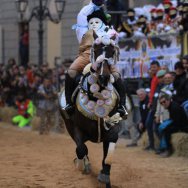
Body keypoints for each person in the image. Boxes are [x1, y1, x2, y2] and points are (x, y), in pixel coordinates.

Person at [65, 9, 127, 118]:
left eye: (97, 22)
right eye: (91, 22)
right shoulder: (84, 32)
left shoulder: (109, 31)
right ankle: (69, 103)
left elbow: (114, 44)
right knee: (70, 72)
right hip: (87, 55)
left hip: (106, 56)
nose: (94, 24)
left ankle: (122, 106)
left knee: (117, 76)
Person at [158, 93, 188, 157]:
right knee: (164, 128)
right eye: (161, 103)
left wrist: (167, 126)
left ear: (168, 100)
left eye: (164, 101)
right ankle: (163, 147)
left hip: (183, 126)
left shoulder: (174, 107)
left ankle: (169, 150)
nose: (163, 104)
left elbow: (177, 122)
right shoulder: (171, 106)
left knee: (166, 130)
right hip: (179, 123)